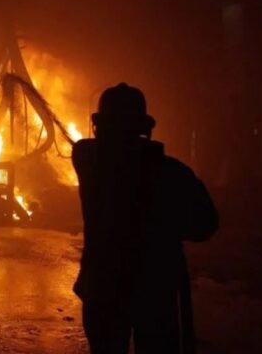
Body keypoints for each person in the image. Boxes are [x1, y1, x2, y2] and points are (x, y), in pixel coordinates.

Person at [72, 83, 218, 354]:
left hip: (103, 289)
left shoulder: (89, 163)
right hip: (154, 291)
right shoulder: (173, 173)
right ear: (145, 128)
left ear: (98, 126)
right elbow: (205, 225)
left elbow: (90, 147)